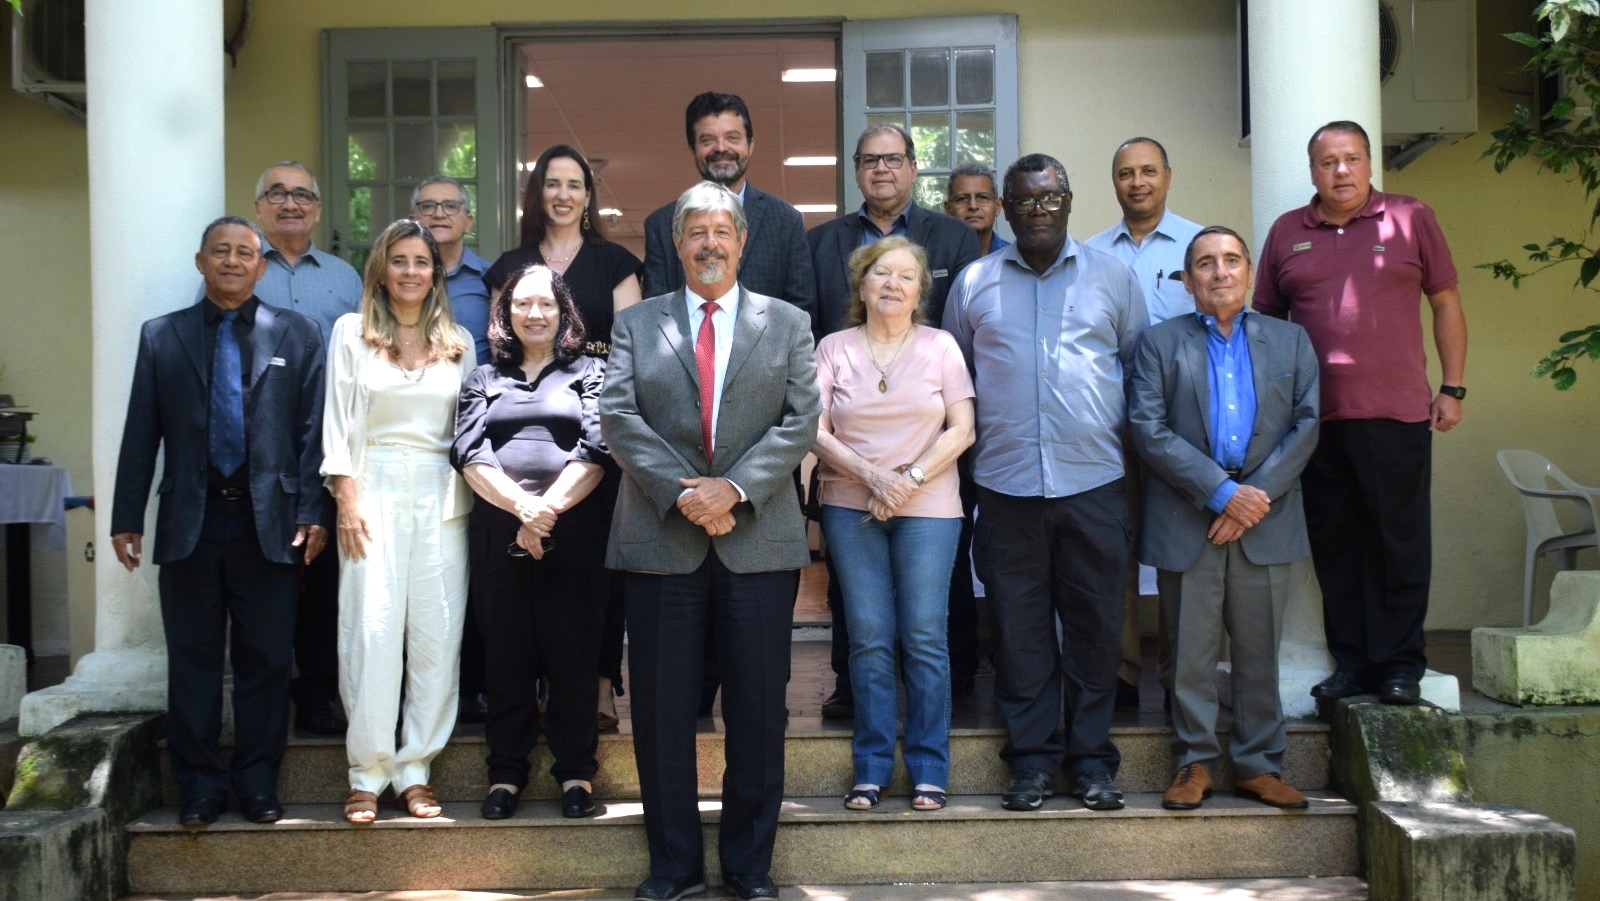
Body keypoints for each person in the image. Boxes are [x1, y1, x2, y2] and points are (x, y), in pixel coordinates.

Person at [600, 181, 819, 901]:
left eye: (722, 230)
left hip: (758, 541)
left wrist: (735, 488)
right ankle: (674, 866)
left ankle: (750, 866)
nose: (709, 242)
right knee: (663, 713)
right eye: (695, 230)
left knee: (758, 710)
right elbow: (620, 418)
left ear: (743, 241)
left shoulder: (786, 322)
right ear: (675, 241)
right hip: (661, 541)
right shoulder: (638, 324)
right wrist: (688, 492)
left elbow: (800, 419)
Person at [943, 153, 1147, 813]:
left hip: (1094, 484)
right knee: (1018, 632)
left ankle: (1091, 762)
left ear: (1068, 201)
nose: (1039, 211)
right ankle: (1030, 762)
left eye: (1050, 199)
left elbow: (1139, 380)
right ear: (1005, 207)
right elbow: (956, 387)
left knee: (1094, 632)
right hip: (1006, 488)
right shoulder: (974, 283)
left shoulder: (1112, 279)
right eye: (1025, 201)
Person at [111, 216, 328, 827]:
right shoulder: (163, 336)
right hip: (191, 521)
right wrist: (127, 514)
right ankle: (200, 786)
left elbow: (313, 433)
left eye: (245, 252)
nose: (233, 261)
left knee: (265, 659)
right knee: (194, 659)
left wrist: (314, 510)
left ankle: (258, 782)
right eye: (221, 252)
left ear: (260, 265)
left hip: (272, 522)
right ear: (200, 261)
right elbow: (139, 431)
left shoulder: (297, 332)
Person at [1253, 120, 1468, 706]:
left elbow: (1445, 301)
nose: (1340, 171)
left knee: (1398, 544)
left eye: (1350, 159)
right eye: (1327, 162)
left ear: (1370, 164)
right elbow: (1267, 328)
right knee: (1336, 546)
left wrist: (1453, 387)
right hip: (1315, 422)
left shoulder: (1410, 217)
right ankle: (1351, 663)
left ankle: (1400, 665)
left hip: (1395, 414)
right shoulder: (1286, 232)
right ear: (1312, 171)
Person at [1128, 226, 1320, 811]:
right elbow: (1147, 427)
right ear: (1186, 281)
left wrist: (1251, 496)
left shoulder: (1291, 341)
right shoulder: (1158, 344)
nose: (1220, 272)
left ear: (1250, 273)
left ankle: (1260, 765)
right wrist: (1219, 492)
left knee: (1259, 651)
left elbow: (1308, 423)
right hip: (1189, 515)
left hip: (1266, 515)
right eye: (1205, 264)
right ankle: (1194, 763)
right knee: (1189, 651)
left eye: (1232, 260)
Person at [808, 124, 980, 719]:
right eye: (870, 160)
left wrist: (908, 473)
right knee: (861, 614)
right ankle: (853, 693)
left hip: (931, 444)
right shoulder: (822, 240)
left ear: (912, 167)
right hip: (847, 450)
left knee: (935, 602)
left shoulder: (955, 237)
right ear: (857, 170)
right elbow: (810, 342)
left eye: (894, 159)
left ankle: (948, 697)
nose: (882, 169)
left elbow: (966, 325)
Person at [321, 218, 477, 824]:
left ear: (436, 273)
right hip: (372, 489)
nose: (411, 272)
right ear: (381, 269)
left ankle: (415, 770)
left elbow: (467, 435)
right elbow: (338, 423)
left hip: (442, 493)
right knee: (372, 630)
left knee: (437, 636)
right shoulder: (351, 334)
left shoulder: (457, 341)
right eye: (400, 260)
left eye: (422, 262)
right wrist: (346, 498)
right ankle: (368, 772)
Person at [812, 236, 975, 813]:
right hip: (850, 505)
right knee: (870, 637)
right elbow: (813, 427)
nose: (893, 284)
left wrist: (905, 477)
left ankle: (930, 766)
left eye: (907, 276)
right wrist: (870, 477)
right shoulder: (833, 347)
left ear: (920, 290)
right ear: (860, 284)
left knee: (926, 636)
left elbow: (962, 429)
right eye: (881, 274)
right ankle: (872, 766)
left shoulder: (941, 347)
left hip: (929, 507)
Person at [486, 143, 643, 730]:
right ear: (538, 193)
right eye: (551, 183)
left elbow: (632, 352)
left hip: (600, 436)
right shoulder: (510, 264)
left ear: (587, 195)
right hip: (524, 439)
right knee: (535, 563)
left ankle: (598, 684)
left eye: (574, 184)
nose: (562, 194)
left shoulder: (615, 264)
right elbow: (499, 351)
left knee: (599, 564)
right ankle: (544, 684)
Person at [452, 265, 609, 821]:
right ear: (505, 313)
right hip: (500, 532)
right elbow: (470, 455)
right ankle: (506, 773)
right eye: (522, 304)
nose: (534, 314)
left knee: (573, 656)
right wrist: (522, 509)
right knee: (507, 657)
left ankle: (575, 773)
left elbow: (597, 450)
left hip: (577, 534)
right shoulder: (482, 379)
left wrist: (545, 512)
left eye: (546, 304)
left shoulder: (593, 370)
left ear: (564, 312)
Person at [1085, 136, 1204, 711]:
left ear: (1168, 176)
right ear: (1114, 182)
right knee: (1117, 546)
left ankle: (1185, 672)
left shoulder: (1199, 248)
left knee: (1184, 548)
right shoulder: (1090, 254)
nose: (1138, 182)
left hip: (1185, 427)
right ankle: (1123, 671)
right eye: (1126, 172)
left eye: (1148, 171)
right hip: (1113, 424)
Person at [252, 160, 362, 738]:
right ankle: (267, 699)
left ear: (317, 209)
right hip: (259, 449)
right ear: (260, 207)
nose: (290, 203)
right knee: (266, 574)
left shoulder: (346, 279)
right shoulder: (243, 269)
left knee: (324, 580)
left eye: (301, 195)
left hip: (330, 443)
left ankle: (318, 694)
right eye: (277, 194)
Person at [412, 174, 495, 725]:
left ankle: (477, 686)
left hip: (480, 440)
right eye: (427, 206)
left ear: (468, 219)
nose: (439, 214)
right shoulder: (392, 276)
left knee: (475, 567)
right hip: (409, 445)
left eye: (450, 206)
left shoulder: (490, 279)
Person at [643, 91, 817, 322]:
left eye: (732, 138)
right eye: (708, 140)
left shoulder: (786, 221)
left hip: (768, 357)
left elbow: (801, 312)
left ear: (751, 145)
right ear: (693, 148)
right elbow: (655, 315)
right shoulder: (662, 224)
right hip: (685, 357)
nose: (721, 148)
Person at [944, 164, 1009, 256]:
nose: (973, 206)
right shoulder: (929, 259)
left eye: (982, 197)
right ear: (948, 209)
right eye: (962, 198)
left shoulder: (1015, 259)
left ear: (997, 206)